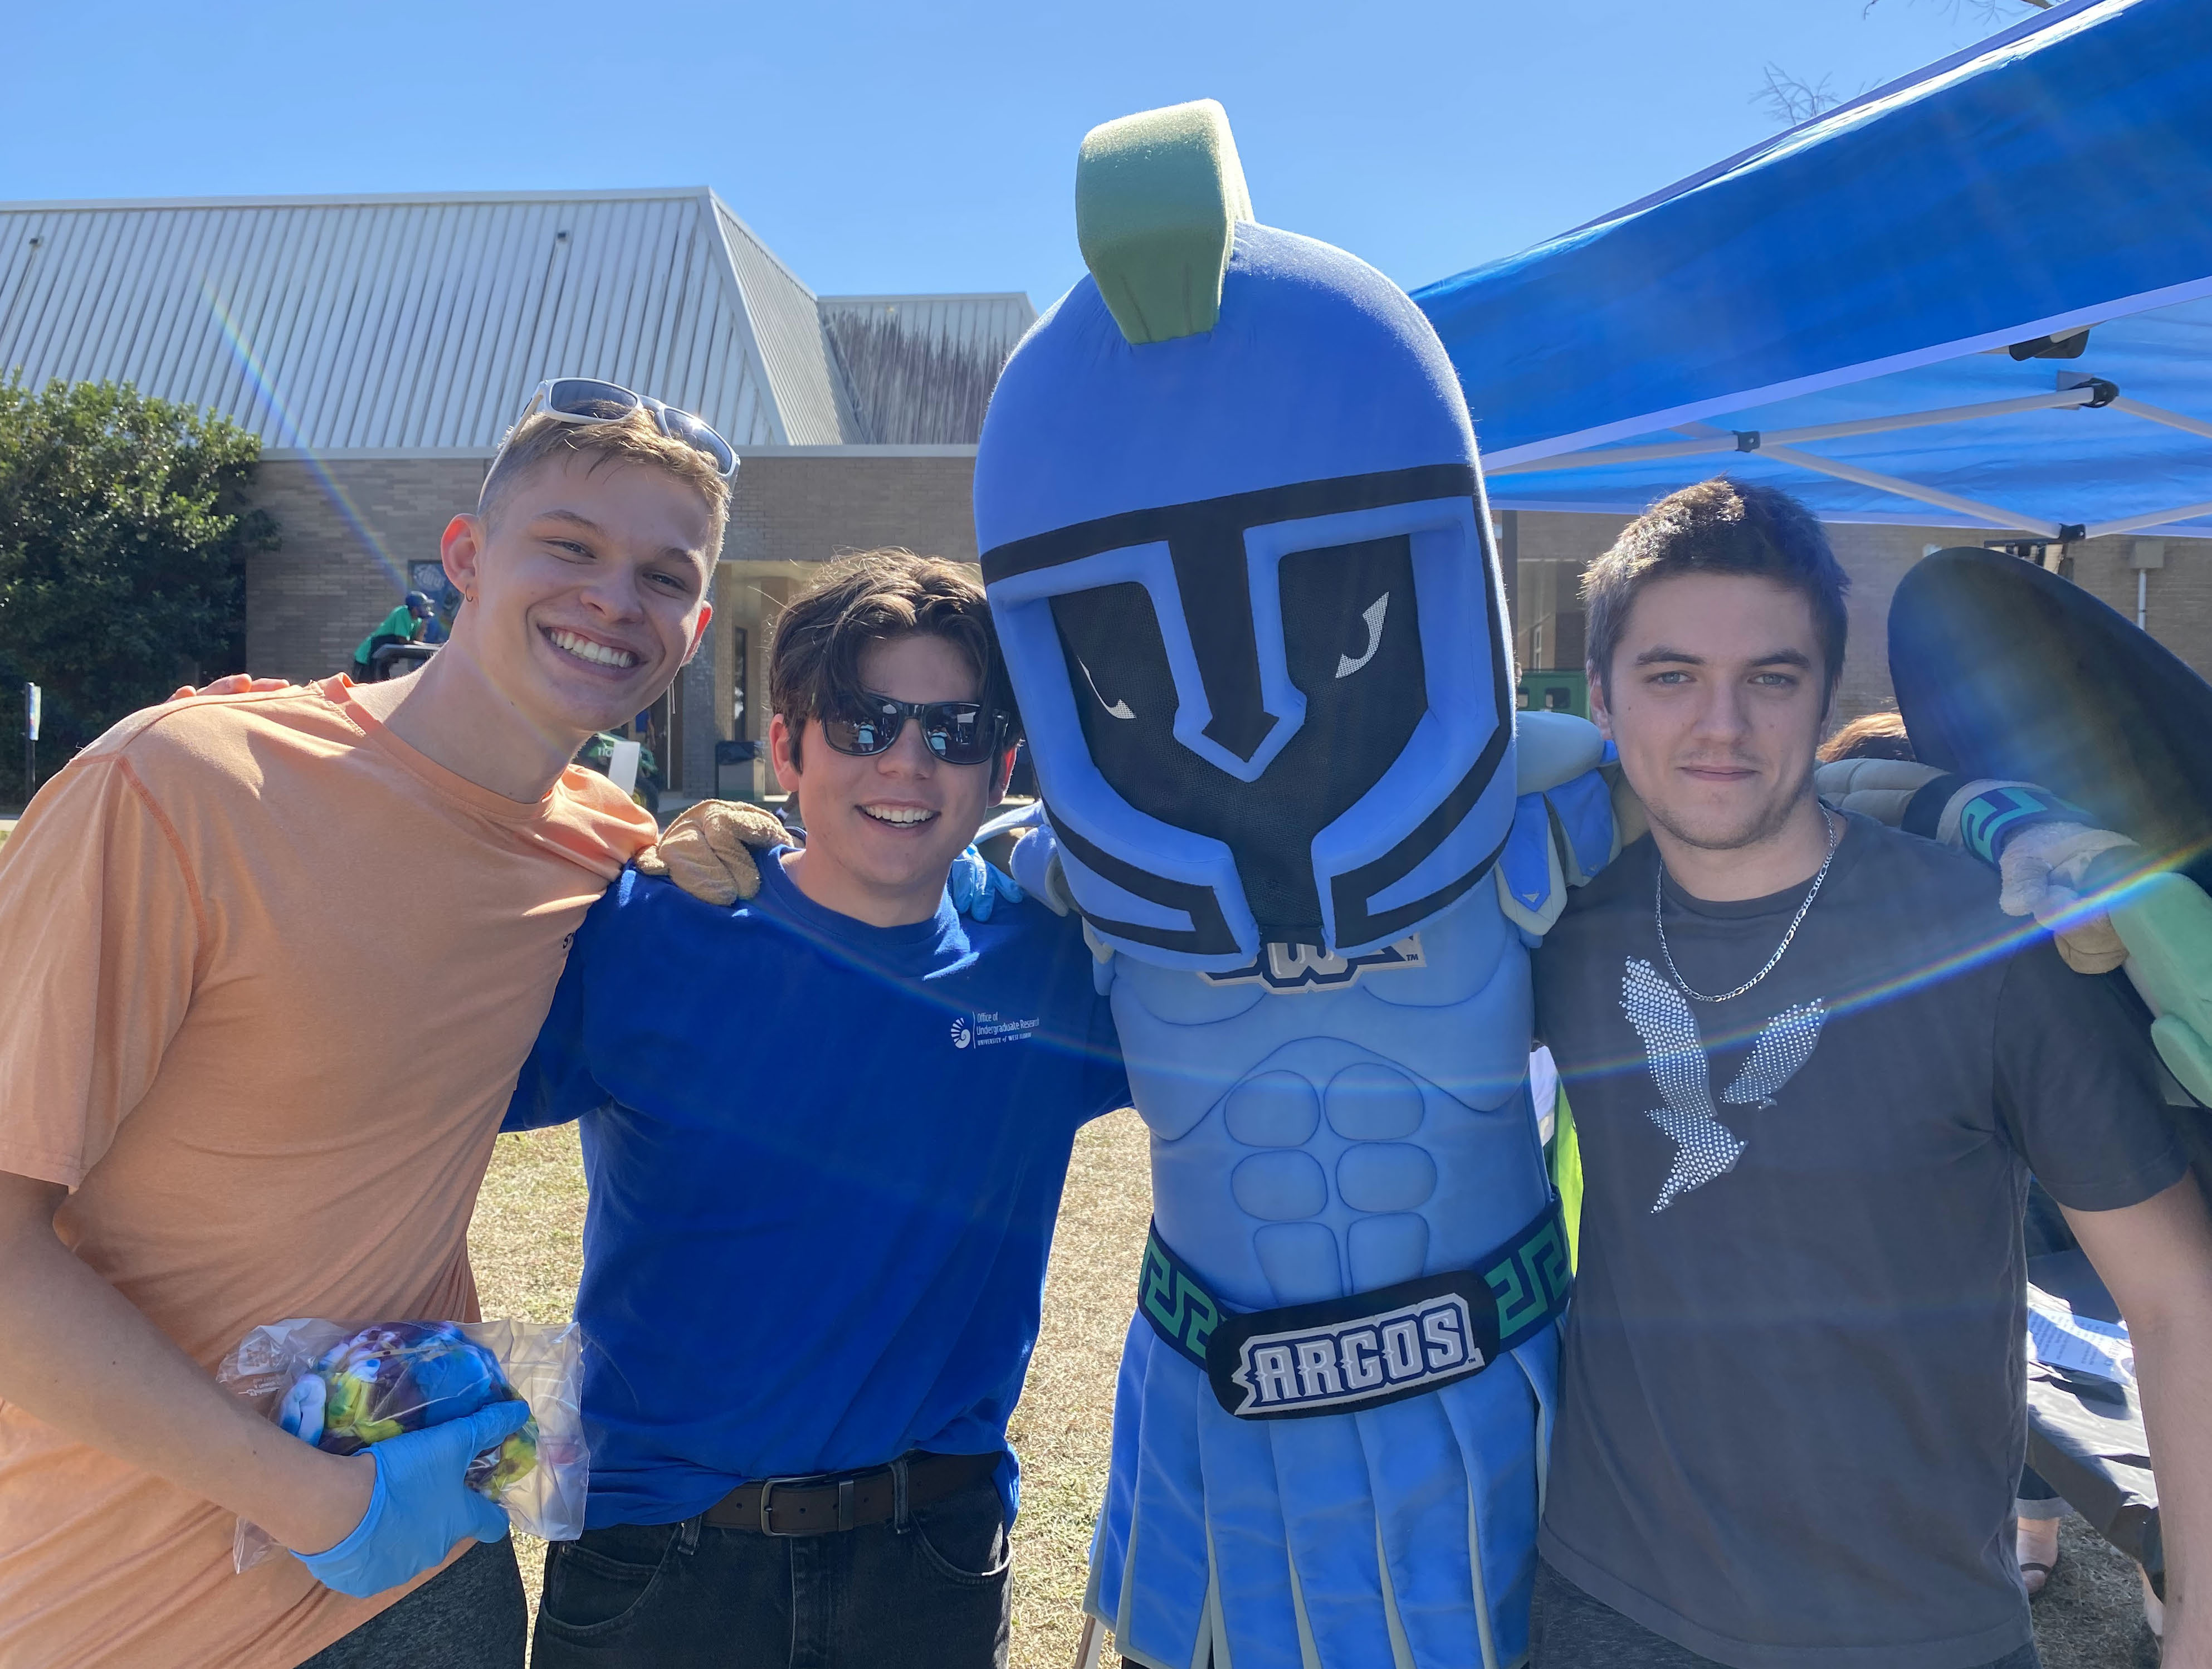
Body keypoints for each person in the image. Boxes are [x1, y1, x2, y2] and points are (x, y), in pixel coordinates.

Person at [0, 380, 734, 1669]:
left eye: (662, 575)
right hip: (109, 1596)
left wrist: (726, 843)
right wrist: (306, 1498)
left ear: (695, 624)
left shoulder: (607, 845)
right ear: (463, 557)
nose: (615, 599)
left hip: (427, 1573)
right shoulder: (181, 784)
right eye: (569, 546)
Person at [1529, 477, 2212, 1668]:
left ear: (1822, 693)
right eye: (1669, 674)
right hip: (1608, 1604)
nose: (1718, 726)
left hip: (1915, 1626)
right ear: (1601, 696)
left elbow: (2172, 1302)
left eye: (1769, 678)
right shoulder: (1561, 934)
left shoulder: (1987, 942)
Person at [506, 550, 1126, 1669]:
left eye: (952, 729)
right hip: (657, 1562)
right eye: (861, 722)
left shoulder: (1051, 965)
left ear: (1002, 766)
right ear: (785, 747)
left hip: (926, 1565)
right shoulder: (648, 925)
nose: (905, 761)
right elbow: (392, 1076)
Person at [351, 589, 438, 680]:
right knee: (366, 684)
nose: (426, 609)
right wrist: (433, 646)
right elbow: (403, 641)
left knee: (383, 683)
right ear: (414, 608)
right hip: (368, 656)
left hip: (383, 660)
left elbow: (416, 643)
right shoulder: (403, 613)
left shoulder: (417, 620)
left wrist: (424, 624)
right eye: (423, 607)